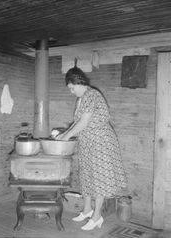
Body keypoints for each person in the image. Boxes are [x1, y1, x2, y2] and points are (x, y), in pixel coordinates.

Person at [56, 64, 127, 231]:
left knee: (99, 179)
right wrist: (64, 133)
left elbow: (84, 122)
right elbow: (76, 122)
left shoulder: (91, 94)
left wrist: (66, 137)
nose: (71, 92)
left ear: (78, 82)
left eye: (72, 88)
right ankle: (87, 210)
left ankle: (97, 217)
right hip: (88, 142)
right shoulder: (81, 99)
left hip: (100, 142)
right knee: (87, 176)